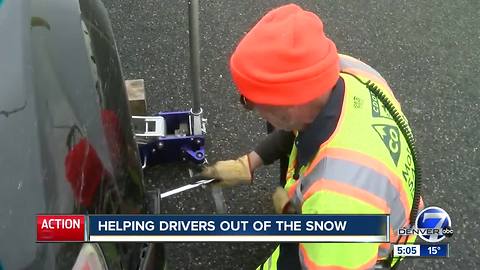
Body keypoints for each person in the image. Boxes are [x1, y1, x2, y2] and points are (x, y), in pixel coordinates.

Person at [201, 4, 422, 269]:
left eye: (248, 101)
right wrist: (248, 163)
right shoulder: (346, 72)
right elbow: (293, 124)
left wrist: (293, 218)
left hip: (362, 251)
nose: (250, 108)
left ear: (288, 104)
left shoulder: (337, 202)